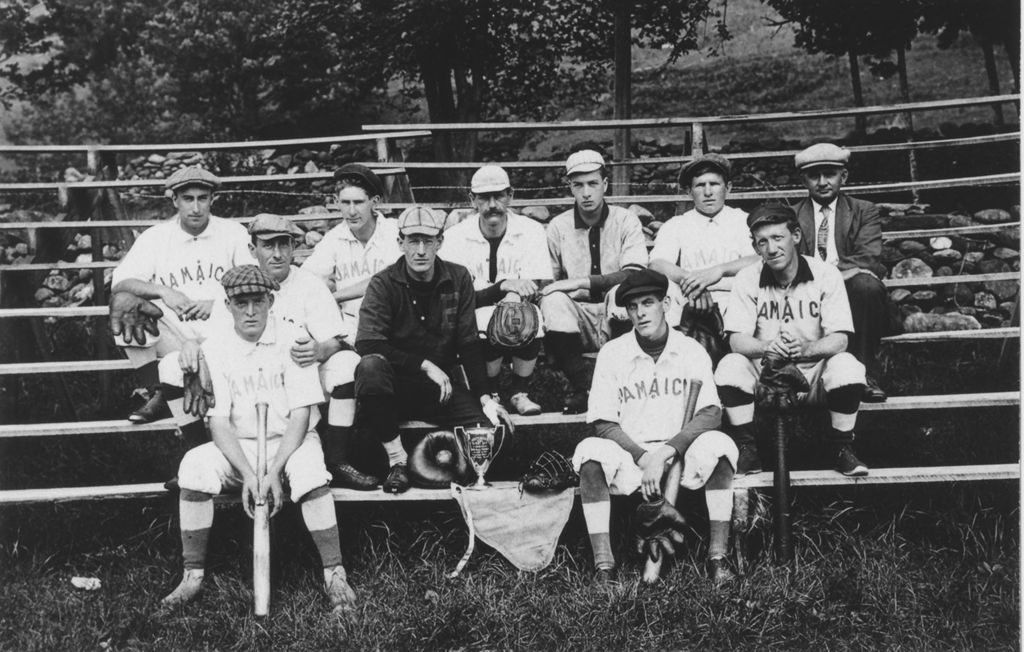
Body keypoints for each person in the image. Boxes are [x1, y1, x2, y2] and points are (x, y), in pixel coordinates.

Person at [161, 265, 357, 617]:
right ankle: (192, 575)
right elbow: (218, 422)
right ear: (228, 304)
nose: (250, 312)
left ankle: (334, 573)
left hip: (292, 442)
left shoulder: (295, 340)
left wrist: (275, 471)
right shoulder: (218, 347)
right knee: (193, 466)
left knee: (312, 474)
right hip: (241, 445)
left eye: (257, 302)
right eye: (240, 304)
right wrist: (250, 476)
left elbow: (300, 417)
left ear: (271, 300)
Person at [572, 269, 737, 585]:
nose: (640, 312)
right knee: (589, 452)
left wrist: (665, 452)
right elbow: (603, 422)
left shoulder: (690, 349)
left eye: (648, 302)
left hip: (680, 451)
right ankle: (604, 567)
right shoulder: (613, 352)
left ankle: (718, 558)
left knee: (719, 445)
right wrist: (645, 458)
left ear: (666, 303)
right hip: (632, 456)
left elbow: (711, 413)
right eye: (633, 306)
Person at [354, 206, 514, 494]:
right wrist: (423, 364)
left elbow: (467, 341)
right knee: (370, 367)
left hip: (441, 389)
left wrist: (485, 397)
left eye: (428, 241)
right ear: (400, 243)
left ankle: (454, 475)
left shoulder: (458, 277)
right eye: (412, 241)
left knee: (491, 436)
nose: (420, 250)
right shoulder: (383, 282)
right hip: (394, 388)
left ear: (439, 241)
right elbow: (367, 342)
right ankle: (397, 461)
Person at [714, 203, 869, 477]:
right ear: (755, 247)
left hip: (812, 376)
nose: (771, 249)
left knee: (848, 366)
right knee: (729, 365)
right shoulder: (746, 278)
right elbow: (736, 340)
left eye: (778, 238)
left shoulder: (825, 274)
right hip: (765, 376)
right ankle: (747, 449)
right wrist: (766, 347)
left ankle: (841, 447)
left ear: (795, 236)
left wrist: (807, 349)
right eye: (762, 242)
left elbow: (840, 339)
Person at [541, 147, 683, 413]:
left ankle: (625, 382)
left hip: (617, 317)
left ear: (605, 184)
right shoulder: (558, 226)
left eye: (593, 183)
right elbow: (549, 283)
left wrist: (580, 282)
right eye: (578, 185)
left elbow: (634, 274)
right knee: (552, 300)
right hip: (578, 320)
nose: (586, 193)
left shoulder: (625, 220)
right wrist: (563, 290)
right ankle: (582, 387)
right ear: (570, 187)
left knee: (623, 292)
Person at [111, 166, 254, 424]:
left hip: (223, 331)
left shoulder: (233, 233)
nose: (196, 208)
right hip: (174, 334)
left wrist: (218, 303)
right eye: (188, 199)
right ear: (174, 200)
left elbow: (254, 283)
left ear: (213, 199)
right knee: (123, 304)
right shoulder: (155, 237)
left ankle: (176, 393)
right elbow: (121, 281)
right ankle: (158, 392)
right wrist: (164, 292)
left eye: (203, 198)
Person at [440, 165, 553, 416]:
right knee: (483, 320)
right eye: (483, 197)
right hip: (473, 310)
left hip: (518, 306)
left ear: (510, 196)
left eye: (498, 195)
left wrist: (514, 296)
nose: (492, 204)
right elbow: (457, 296)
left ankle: (518, 392)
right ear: (472, 200)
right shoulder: (455, 237)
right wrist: (502, 289)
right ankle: (491, 392)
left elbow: (537, 282)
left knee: (527, 316)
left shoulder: (531, 230)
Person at [792, 143, 892, 402]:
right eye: (814, 176)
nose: (823, 182)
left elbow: (868, 257)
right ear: (804, 179)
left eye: (830, 174)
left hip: (849, 288)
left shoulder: (864, 210)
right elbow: (789, 260)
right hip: (805, 289)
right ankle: (799, 376)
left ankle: (864, 372)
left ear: (843, 176)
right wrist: (819, 280)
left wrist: (827, 277)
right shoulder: (791, 216)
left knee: (866, 286)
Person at [649, 153, 758, 315]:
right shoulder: (677, 224)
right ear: (689, 191)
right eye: (700, 185)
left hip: (736, 298)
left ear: (728, 188)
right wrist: (695, 283)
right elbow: (657, 264)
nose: (708, 192)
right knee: (668, 293)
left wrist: (719, 271)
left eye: (714, 184)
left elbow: (759, 259)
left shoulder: (743, 220)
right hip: (689, 298)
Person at [302, 163, 401, 330]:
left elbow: (390, 278)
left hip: (395, 326)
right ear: (336, 202)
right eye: (346, 203)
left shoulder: (394, 231)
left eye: (359, 202)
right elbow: (306, 279)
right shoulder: (333, 238)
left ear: (374, 202)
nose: (352, 211)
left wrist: (336, 296)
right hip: (351, 329)